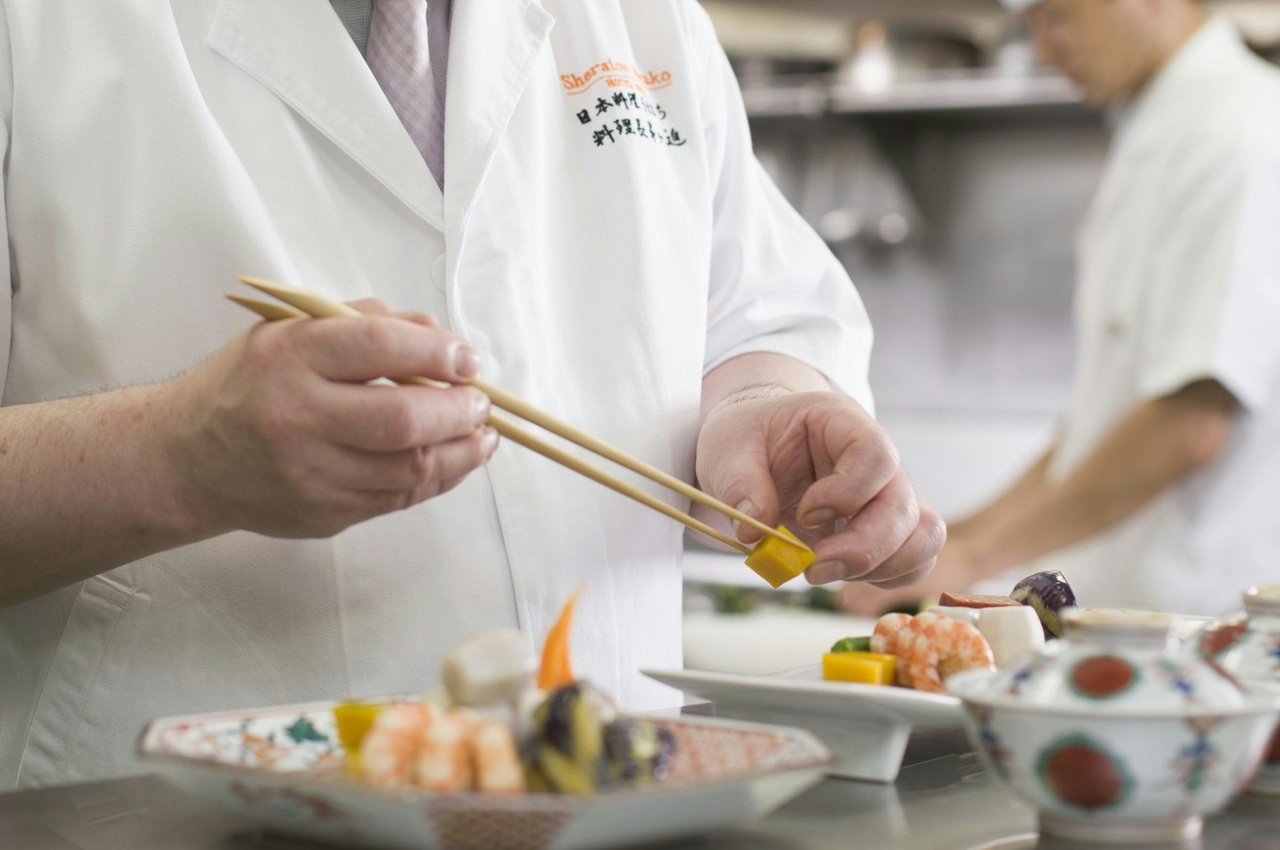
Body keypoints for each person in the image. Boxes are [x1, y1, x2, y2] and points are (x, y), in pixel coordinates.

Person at [0, 1, 942, 788]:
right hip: (167, 816)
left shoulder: (642, 18)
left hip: (617, 803)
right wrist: (180, 459)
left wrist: (760, 403)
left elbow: (753, 318)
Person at [841, 0, 1280, 619]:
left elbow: (1189, 423)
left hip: (1208, 631)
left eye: (1057, 15)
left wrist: (974, 555)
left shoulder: (1241, 133)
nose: (1043, 49)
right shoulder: (1164, 134)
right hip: (1137, 622)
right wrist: (950, 540)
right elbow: (1097, 430)